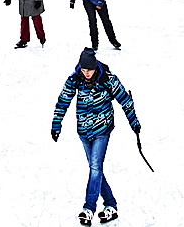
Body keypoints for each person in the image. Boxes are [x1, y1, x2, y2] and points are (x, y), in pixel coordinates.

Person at [51, 47, 141, 226]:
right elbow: (63, 101)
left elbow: (125, 100)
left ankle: (88, 208)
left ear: (95, 67)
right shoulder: (75, 79)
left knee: (94, 167)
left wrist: (134, 123)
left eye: (89, 70)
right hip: (84, 131)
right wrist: (56, 124)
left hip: (102, 130)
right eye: (84, 69)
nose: (86, 73)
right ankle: (111, 205)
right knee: (96, 169)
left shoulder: (107, 78)